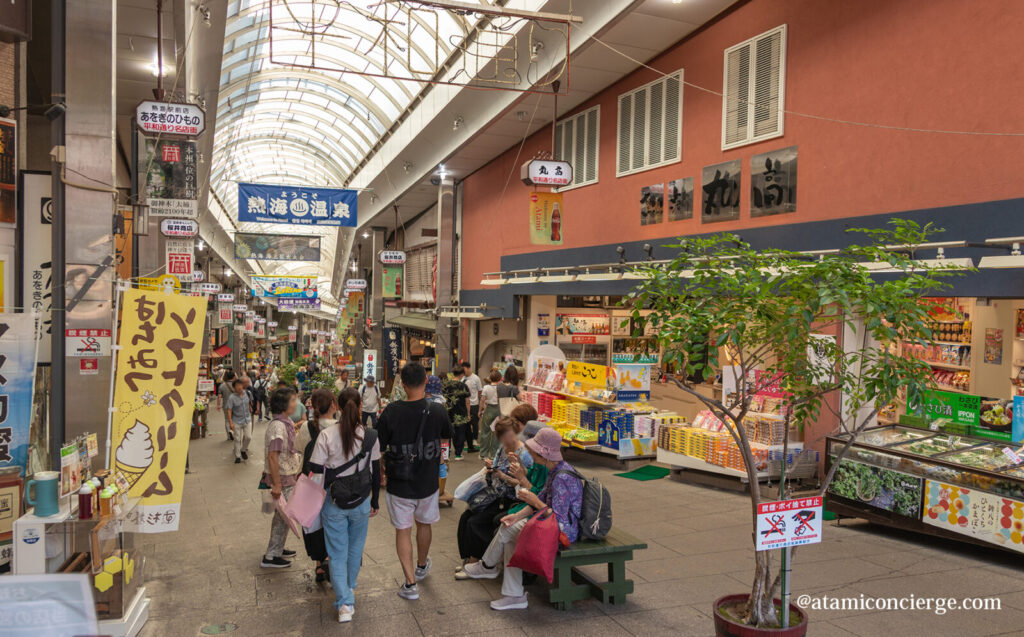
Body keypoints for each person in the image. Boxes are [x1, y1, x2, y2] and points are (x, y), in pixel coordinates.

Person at [460, 427, 583, 611]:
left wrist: (535, 502)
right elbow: (540, 500)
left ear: (544, 454)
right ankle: (513, 594)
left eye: (534, 450)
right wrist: (517, 515)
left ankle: (488, 566)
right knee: (510, 530)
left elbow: (559, 519)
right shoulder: (554, 470)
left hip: (563, 532)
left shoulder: (562, 477)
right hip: (548, 522)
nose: (530, 453)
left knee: (509, 529)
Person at [376, 363, 452, 600]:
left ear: (403, 384)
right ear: (426, 381)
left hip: (399, 482)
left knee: (403, 530)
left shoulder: (391, 411)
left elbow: (379, 448)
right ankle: (421, 565)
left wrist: (380, 472)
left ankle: (410, 584)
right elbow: (446, 439)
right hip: (428, 481)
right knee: (424, 524)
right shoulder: (438, 410)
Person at [310, 386, 381, 623]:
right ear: (360, 406)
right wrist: (375, 500)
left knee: (337, 552)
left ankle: (344, 605)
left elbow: (315, 469)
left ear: (338, 407)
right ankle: (349, 588)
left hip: (334, 502)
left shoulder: (326, 435)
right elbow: (376, 471)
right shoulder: (370, 436)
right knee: (355, 549)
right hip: (361, 501)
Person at [455, 417, 535, 572]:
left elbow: (525, 484)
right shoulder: (502, 448)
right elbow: (497, 466)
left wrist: (503, 476)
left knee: (476, 522)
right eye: (501, 436)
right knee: (466, 517)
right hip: (495, 494)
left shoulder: (524, 454)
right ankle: (468, 558)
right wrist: (491, 466)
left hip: (510, 499)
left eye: (506, 435)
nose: (504, 440)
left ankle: (476, 560)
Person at [261, 386, 303, 568]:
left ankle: (278, 548)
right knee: (282, 516)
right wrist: (277, 485)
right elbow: (273, 456)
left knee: (283, 516)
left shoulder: (285, 422)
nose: (295, 403)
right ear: (283, 404)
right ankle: (271, 556)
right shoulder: (278, 427)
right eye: (293, 400)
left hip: (287, 475)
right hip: (282, 478)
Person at [297, 388, 336, 583]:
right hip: (334, 481)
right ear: (333, 405)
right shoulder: (339, 427)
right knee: (333, 520)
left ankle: (319, 564)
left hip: (312, 481)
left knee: (314, 522)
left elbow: (298, 449)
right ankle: (330, 558)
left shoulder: (306, 427)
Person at [425, 376, 453, 506]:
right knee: (441, 460)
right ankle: (440, 488)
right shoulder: (441, 402)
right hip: (439, 438)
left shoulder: (424, 403)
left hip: (427, 439)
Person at [442, 368, 471, 460]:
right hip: (461, 411)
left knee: (448, 432)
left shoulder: (447, 385)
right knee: (460, 432)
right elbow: (467, 401)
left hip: (449, 411)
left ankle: (447, 454)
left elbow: (443, 400)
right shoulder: (463, 386)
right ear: (462, 374)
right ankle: (458, 454)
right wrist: (468, 414)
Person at [477, 370, 503, 461]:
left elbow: (482, 400)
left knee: (485, 432)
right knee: (496, 432)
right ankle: (494, 454)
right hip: (499, 410)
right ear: (500, 378)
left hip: (489, 410)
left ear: (490, 378)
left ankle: (483, 454)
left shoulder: (486, 387)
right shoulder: (501, 388)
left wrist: (480, 411)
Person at [225, 379, 252, 463]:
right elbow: (229, 410)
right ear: (234, 387)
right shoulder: (232, 397)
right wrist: (230, 422)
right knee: (237, 439)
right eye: (237, 386)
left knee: (248, 437)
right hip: (236, 420)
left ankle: (243, 450)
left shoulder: (247, 393)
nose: (239, 387)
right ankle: (237, 456)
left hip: (247, 419)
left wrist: (251, 409)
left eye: (240, 385)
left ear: (242, 385)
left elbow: (250, 402)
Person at [462, 362, 482, 453]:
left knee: (474, 423)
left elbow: (480, 391)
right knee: (466, 423)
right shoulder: (462, 378)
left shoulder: (476, 378)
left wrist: (476, 399)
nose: (463, 371)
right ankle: (466, 440)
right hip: (464, 404)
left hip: (474, 404)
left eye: (464, 369)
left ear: (468, 368)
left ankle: (474, 439)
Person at [218, 370, 237, 441]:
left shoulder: (222, 385)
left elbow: (219, 396)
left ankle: (229, 435)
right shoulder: (236, 385)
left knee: (227, 420)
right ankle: (234, 432)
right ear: (233, 377)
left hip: (225, 405)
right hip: (235, 405)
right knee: (235, 419)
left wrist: (218, 405)